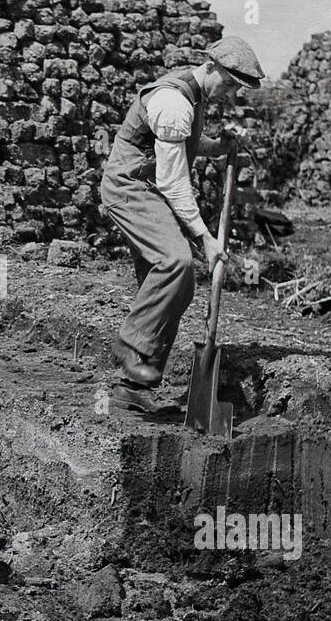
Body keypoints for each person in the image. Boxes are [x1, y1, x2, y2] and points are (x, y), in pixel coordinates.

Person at [99, 36, 264, 389]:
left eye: (238, 88)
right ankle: (130, 345)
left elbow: (184, 143)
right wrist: (204, 238)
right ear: (210, 67)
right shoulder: (174, 101)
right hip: (129, 187)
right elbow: (174, 183)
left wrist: (218, 147)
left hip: (150, 190)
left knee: (181, 284)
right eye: (231, 83)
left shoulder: (194, 95)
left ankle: (142, 374)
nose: (232, 94)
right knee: (176, 262)